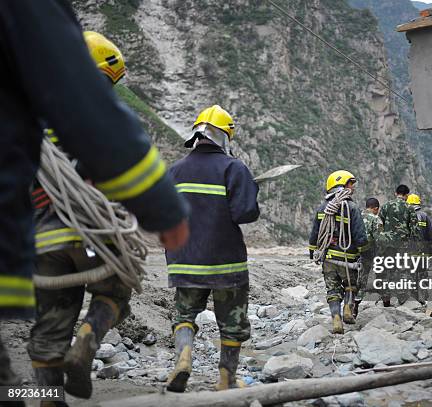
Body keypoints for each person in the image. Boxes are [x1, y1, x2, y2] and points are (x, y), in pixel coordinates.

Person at [0, 2, 189, 402]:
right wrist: (162, 211)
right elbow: (124, 169)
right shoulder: (100, 118)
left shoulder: (25, 123)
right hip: (98, 235)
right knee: (116, 290)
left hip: (42, 239)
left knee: (51, 324)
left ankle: (49, 397)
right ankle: (87, 338)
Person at [165, 105, 260, 392]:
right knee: (232, 322)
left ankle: (184, 356)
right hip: (225, 263)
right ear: (225, 137)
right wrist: (251, 191)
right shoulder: (234, 168)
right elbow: (245, 213)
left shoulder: (174, 170)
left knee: (184, 315)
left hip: (184, 260)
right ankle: (226, 378)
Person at [309, 170, 368, 334]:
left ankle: (336, 318)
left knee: (332, 290)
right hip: (348, 259)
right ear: (341, 185)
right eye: (351, 184)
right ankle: (348, 309)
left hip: (328, 259)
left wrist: (312, 252)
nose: (353, 188)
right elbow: (360, 237)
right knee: (351, 285)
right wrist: (365, 254)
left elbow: (314, 234)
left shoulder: (323, 208)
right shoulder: (352, 208)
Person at [378, 185, 419, 306]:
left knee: (386, 270)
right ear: (407, 195)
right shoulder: (409, 208)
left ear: (395, 193)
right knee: (402, 270)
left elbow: (379, 225)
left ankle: (386, 299)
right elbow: (414, 229)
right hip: (403, 245)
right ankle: (402, 298)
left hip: (387, 244)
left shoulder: (385, 206)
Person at [354, 197, 383, 317]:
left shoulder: (356, 216)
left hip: (354, 253)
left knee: (357, 280)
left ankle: (352, 306)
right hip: (370, 253)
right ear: (375, 208)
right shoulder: (375, 219)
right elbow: (379, 240)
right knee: (376, 276)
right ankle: (385, 301)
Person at [407, 193, 432, 304]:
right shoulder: (424, 216)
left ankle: (412, 297)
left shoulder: (406, 216)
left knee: (411, 273)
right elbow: (430, 235)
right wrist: (431, 250)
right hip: (423, 252)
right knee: (422, 273)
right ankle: (423, 296)